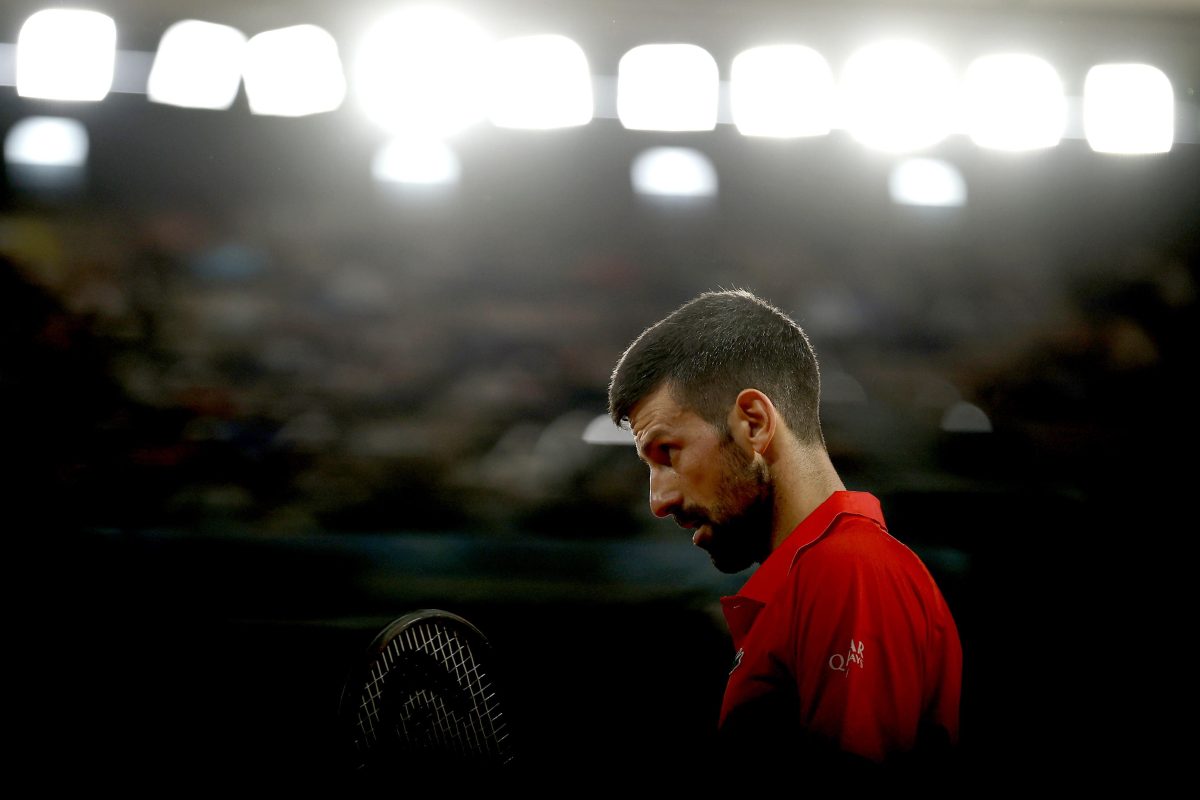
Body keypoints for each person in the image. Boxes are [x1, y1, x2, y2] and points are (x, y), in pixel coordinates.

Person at [608, 288, 962, 780]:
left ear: (753, 423)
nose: (658, 501)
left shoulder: (846, 567)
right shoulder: (825, 572)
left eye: (669, 453)